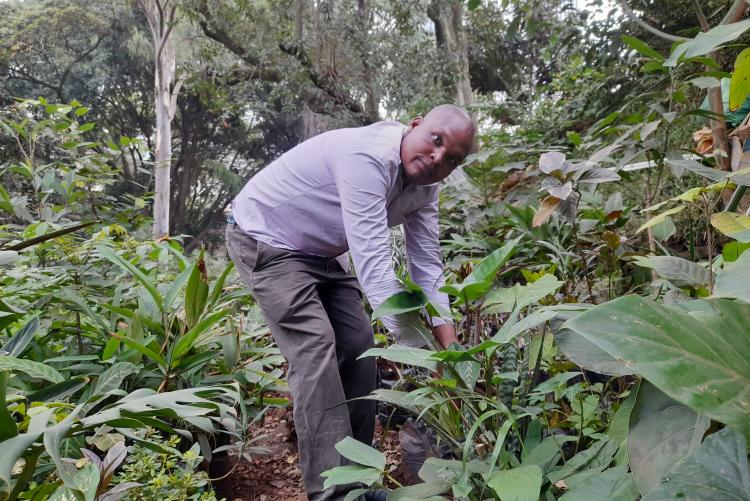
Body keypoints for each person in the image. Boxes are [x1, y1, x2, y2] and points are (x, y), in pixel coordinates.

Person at [225, 104, 476, 500]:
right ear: (414, 126)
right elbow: (375, 267)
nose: (437, 157)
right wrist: (426, 361)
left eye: (452, 159)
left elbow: (427, 265)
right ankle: (334, 494)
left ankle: (357, 479)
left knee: (360, 348)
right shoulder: (368, 158)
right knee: (315, 350)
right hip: (266, 238)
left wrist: (450, 349)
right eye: (435, 139)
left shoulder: (427, 188)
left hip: (321, 252)